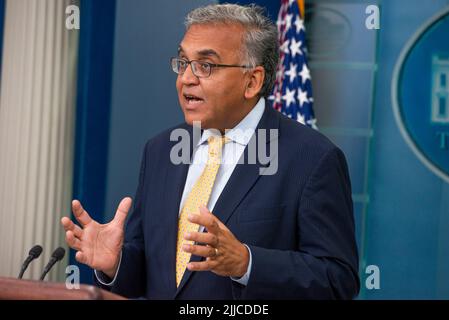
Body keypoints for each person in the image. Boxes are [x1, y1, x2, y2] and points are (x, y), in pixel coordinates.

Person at [61, 3, 359, 299]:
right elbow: (154, 276)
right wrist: (116, 264)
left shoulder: (311, 159)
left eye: (206, 66)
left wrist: (247, 263)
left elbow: (338, 281)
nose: (186, 78)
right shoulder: (161, 151)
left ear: (252, 81)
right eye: (182, 62)